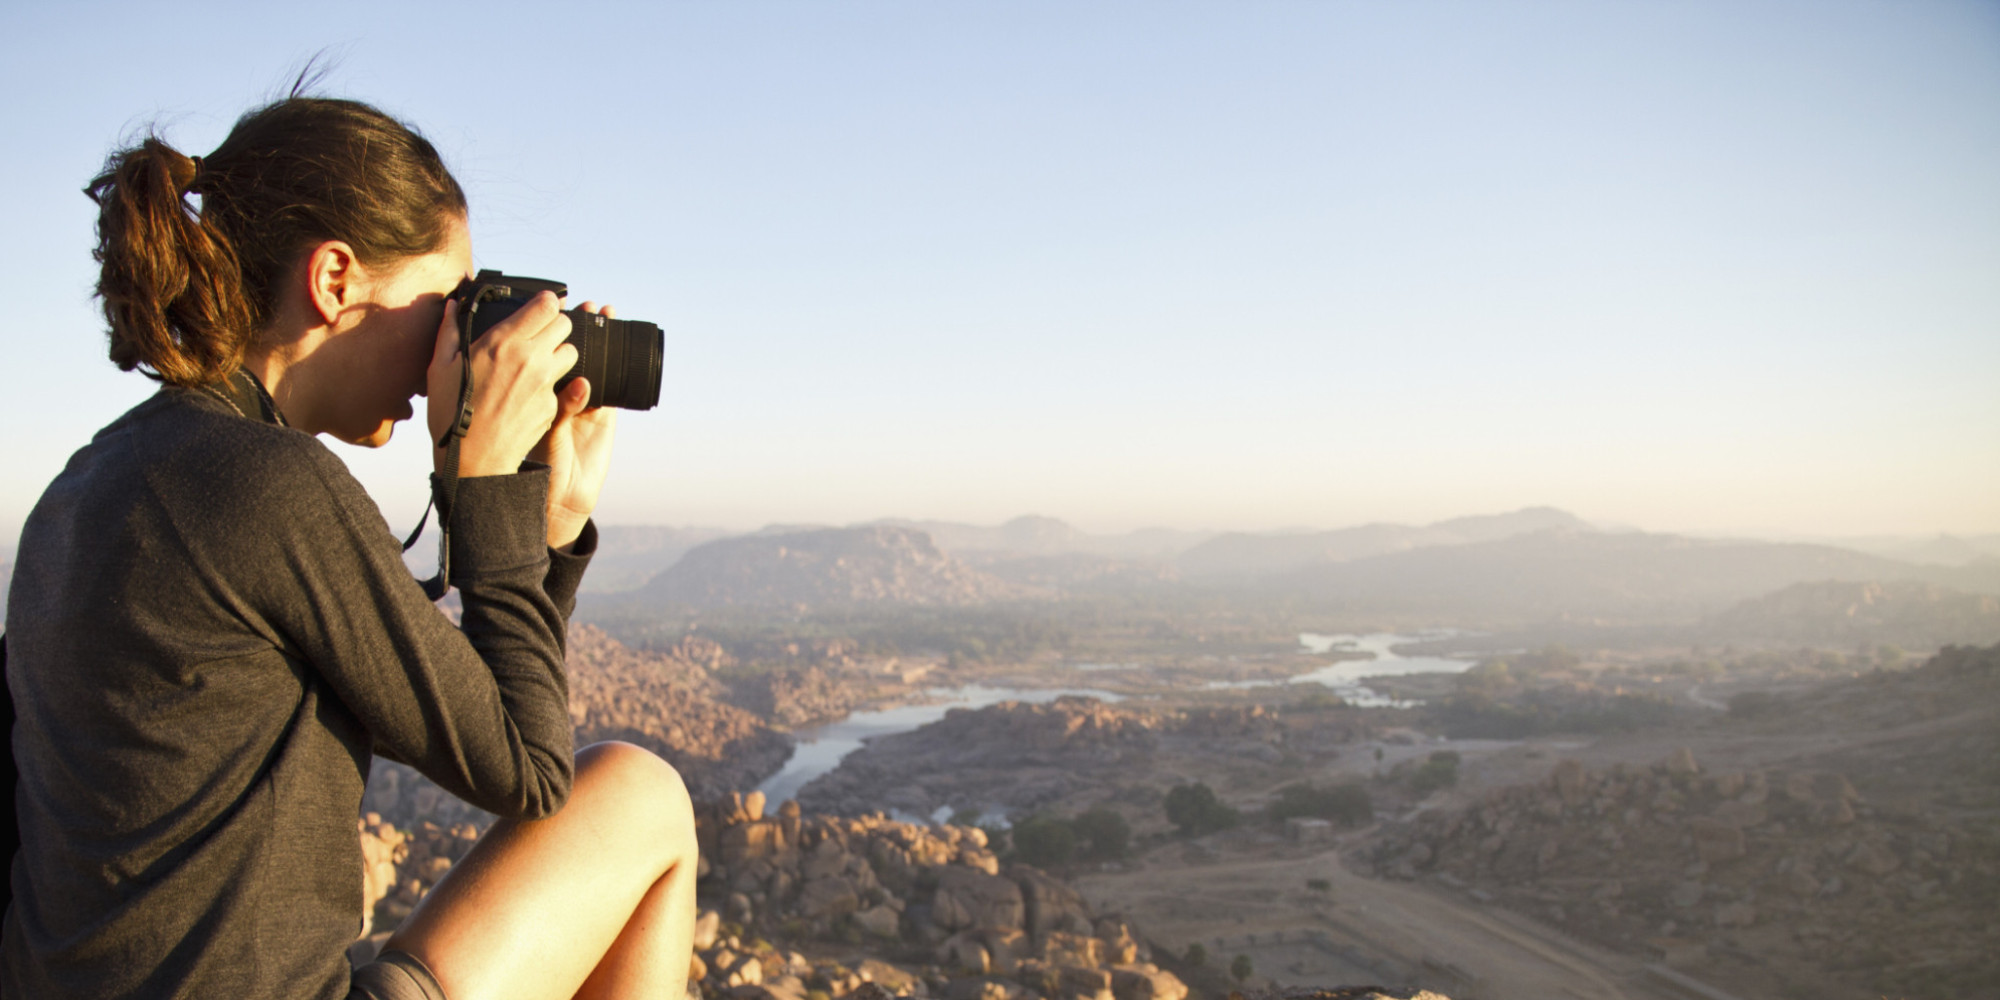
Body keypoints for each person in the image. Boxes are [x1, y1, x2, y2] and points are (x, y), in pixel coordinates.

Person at [1, 93, 697, 1000]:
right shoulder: (267, 483)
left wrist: (546, 526)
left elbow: (441, 707)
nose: (456, 341)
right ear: (335, 280)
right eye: (449, 302)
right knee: (639, 797)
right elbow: (527, 769)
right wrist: (484, 487)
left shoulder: (87, 483)